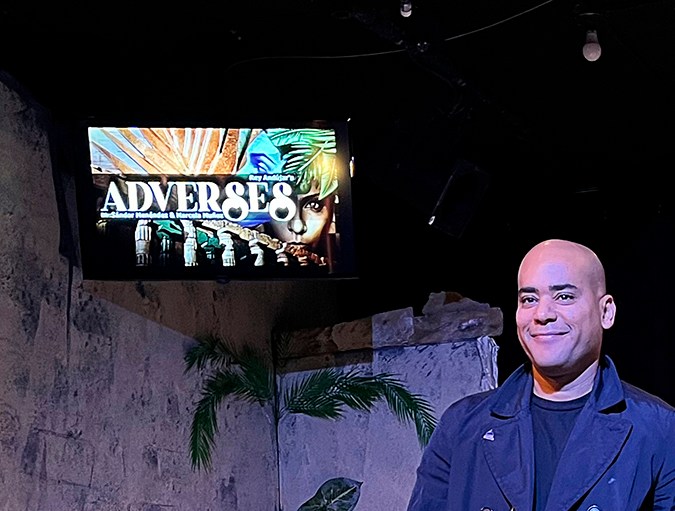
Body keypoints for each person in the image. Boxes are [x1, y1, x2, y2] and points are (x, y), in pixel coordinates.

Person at [406, 238, 675, 511]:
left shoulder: (660, 429)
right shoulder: (462, 425)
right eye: (529, 299)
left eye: (564, 296)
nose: (542, 314)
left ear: (606, 312)